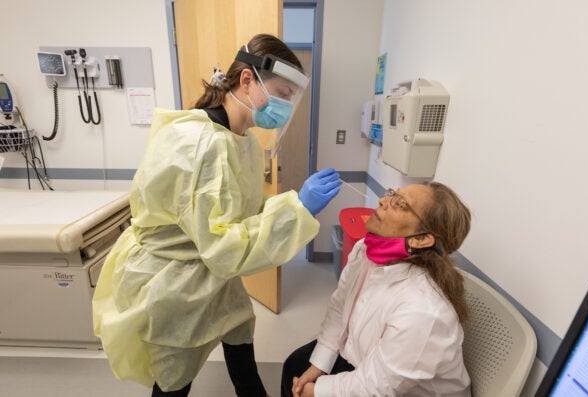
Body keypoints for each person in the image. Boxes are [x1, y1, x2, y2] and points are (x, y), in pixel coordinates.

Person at [92, 33, 341, 397]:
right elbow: (225, 245)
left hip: (213, 274)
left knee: (240, 342)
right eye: (283, 94)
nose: (286, 106)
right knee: (175, 379)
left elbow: (244, 217)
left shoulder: (241, 142)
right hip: (179, 281)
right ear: (247, 80)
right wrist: (297, 208)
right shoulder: (201, 143)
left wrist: (294, 206)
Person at [282, 182, 472, 397]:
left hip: (400, 391)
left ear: (421, 239)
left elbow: (375, 387)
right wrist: (319, 365)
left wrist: (316, 392)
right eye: (392, 194)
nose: (383, 200)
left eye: (400, 203)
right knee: (294, 367)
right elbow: (340, 307)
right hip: (366, 361)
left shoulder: (423, 311)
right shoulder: (365, 250)